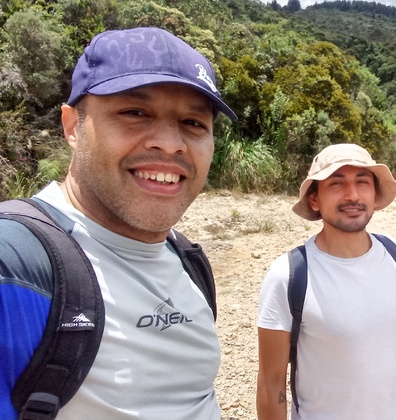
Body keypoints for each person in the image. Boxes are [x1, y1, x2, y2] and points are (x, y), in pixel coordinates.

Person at [0, 27, 237, 419]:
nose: (171, 143)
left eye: (194, 123)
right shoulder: (16, 269)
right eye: (135, 113)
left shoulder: (187, 258)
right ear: (73, 125)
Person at [256, 143, 396, 420]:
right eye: (336, 183)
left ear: (374, 192)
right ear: (314, 199)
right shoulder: (289, 274)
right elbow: (271, 382)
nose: (353, 195)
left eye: (362, 181)